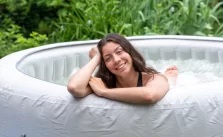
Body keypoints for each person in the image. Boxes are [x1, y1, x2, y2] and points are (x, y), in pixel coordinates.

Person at [67, 33, 178, 104]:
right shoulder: (104, 83)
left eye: (119, 52)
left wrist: (104, 92)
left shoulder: (152, 78)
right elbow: (74, 87)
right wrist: (96, 59)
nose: (116, 60)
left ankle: (170, 76)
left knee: (168, 80)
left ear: (129, 52)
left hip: (158, 80)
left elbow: (149, 95)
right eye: (108, 58)